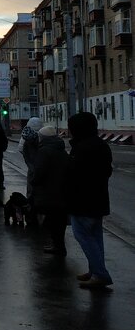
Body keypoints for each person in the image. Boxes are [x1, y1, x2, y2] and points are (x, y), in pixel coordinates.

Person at [66, 112, 113, 289]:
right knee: (95, 237)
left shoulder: (82, 148)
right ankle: (95, 270)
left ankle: (100, 273)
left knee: (84, 236)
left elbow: (73, 174)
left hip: (83, 200)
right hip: (98, 198)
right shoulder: (101, 145)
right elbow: (107, 171)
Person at [31, 125, 71, 257]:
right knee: (59, 220)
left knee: (51, 221)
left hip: (48, 191)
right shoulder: (60, 149)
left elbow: (39, 171)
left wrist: (34, 182)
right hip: (62, 190)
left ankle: (58, 247)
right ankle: (59, 246)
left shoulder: (44, 151)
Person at [18, 116, 43, 226]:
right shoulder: (43, 135)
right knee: (42, 192)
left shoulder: (25, 135)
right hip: (42, 168)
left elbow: (21, 149)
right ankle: (41, 216)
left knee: (31, 191)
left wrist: (29, 163)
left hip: (31, 168)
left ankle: (31, 216)